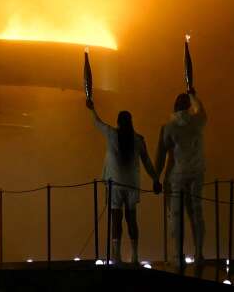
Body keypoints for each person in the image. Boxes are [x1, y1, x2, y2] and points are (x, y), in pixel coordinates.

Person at [86, 98, 159, 265]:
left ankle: (116, 256)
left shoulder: (112, 134)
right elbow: (147, 161)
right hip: (132, 185)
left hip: (116, 185)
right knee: (131, 219)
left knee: (116, 219)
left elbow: (97, 123)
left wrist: (92, 108)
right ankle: (134, 256)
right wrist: (155, 179)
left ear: (118, 122)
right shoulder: (138, 139)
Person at [154, 88, 207, 267]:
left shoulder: (168, 127)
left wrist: (156, 177)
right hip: (197, 173)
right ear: (189, 106)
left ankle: (178, 256)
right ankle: (199, 254)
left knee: (176, 216)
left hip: (176, 175)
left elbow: (161, 155)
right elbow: (202, 110)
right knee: (196, 214)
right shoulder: (198, 122)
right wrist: (194, 95)